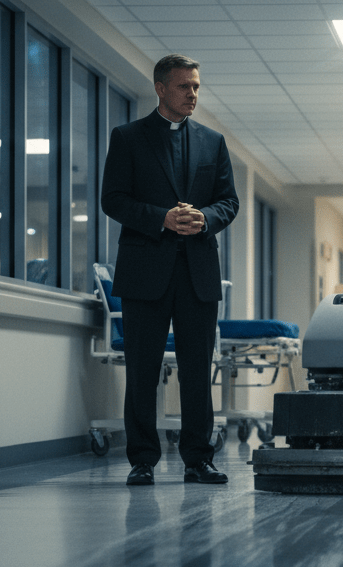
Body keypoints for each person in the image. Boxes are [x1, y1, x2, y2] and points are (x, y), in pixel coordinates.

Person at [101, 54, 239, 486]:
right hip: (145, 271)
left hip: (197, 271)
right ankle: (142, 460)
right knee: (143, 368)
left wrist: (205, 218)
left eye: (197, 86)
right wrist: (161, 218)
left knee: (198, 368)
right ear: (161, 88)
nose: (193, 94)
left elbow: (228, 201)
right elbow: (114, 200)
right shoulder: (128, 138)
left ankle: (199, 459)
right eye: (184, 87)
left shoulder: (212, 142)